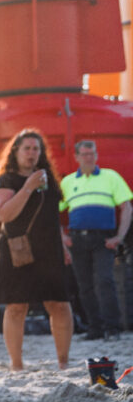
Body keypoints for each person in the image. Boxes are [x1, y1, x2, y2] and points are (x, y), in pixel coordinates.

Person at [0, 129, 74, 371]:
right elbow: (4, 214)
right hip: (18, 248)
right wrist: (28, 187)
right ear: (15, 151)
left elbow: (52, 216)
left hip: (50, 248)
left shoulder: (48, 180)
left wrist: (63, 244)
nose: (31, 153)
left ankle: (63, 362)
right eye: (27, 148)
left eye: (36, 149)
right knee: (17, 306)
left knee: (60, 304)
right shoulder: (6, 180)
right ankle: (16, 364)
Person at [59, 140, 132, 340]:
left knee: (105, 281)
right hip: (77, 240)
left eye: (92, 154)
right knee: (84, 285)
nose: (89, 158)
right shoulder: (68, 182)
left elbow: (126, 207)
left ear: (97, 155)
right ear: (76, 157)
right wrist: (63, 237)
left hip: (103, 239)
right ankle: (95, 329)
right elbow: (53, 211)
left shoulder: (111, 177)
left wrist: (119, 236)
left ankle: (113, 328)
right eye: (84, 154)